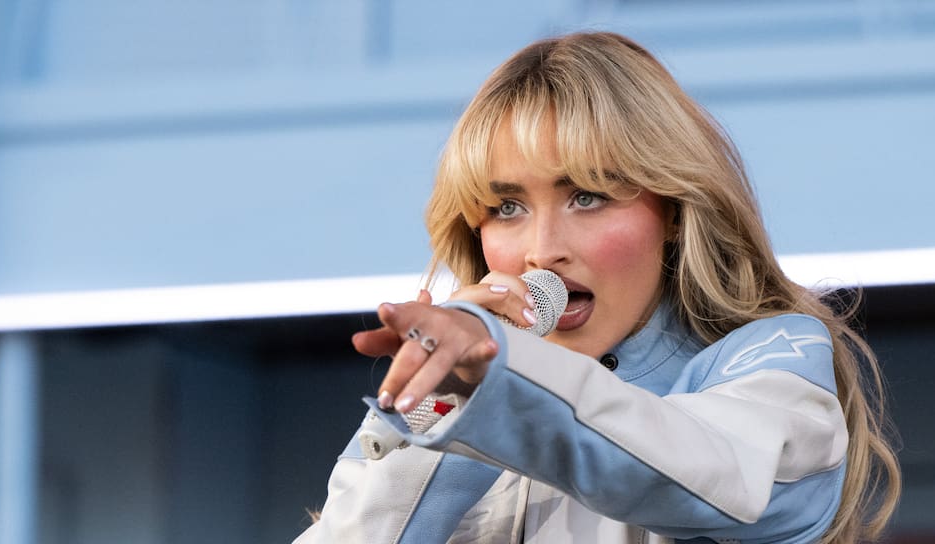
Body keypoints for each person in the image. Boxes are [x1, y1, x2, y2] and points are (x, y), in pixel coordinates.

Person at [296, 31, 900, 544]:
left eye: (587, 196)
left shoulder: (773, 361)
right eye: (507, 208)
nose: (541, 250)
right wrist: (447, 403)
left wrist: (500, 383)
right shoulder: (457, 390)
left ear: (674, 211)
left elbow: (694, 472)